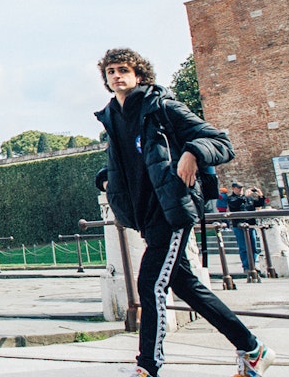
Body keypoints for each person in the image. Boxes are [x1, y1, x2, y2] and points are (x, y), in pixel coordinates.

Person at [94, 48, 274, 377]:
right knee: (185, 285)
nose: (117, 75)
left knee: (149, 284)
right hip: (146, 216)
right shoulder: (112, 117)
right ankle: (252, 349)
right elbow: (134, 162)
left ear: (139, 75)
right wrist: (107, 178)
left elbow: (220, 141)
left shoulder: (161, 106)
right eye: (111, 71)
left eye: (123, 69)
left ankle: (147, 367)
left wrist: (192, 151)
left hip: (172, 210)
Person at [228, 182, 267, 274]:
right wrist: (244, 197)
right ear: (233, 188)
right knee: (243, 248)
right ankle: (246, 267)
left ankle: (253, 265)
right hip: (239, 226)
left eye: (241, 188)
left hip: (250, 225)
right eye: (238, 188)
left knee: (253, 247)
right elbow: (234, 205)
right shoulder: (231, 198)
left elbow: (258, 204)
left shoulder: (249, 198)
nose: (240, 189)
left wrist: (261, 196)